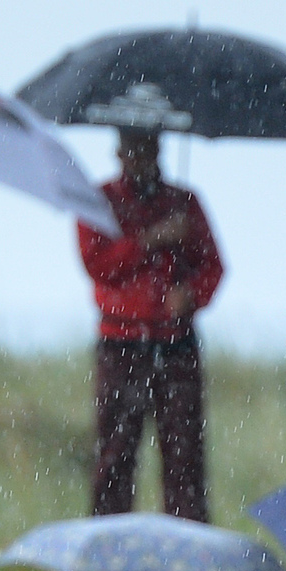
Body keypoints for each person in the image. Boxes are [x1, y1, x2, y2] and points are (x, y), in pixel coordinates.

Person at [78, 130, 224, 520]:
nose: (139, 159)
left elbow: (212, 265)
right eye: (132, 150)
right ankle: (109, 556)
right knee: (115, 454)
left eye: (146, 149)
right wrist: (149, 241)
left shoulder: (184, 202)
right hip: (121, 342)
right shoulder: (99, 201)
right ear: (119, 153)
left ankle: (187, 564)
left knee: (184, 457)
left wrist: (191, 294)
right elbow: (99, 266)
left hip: (176, 343)